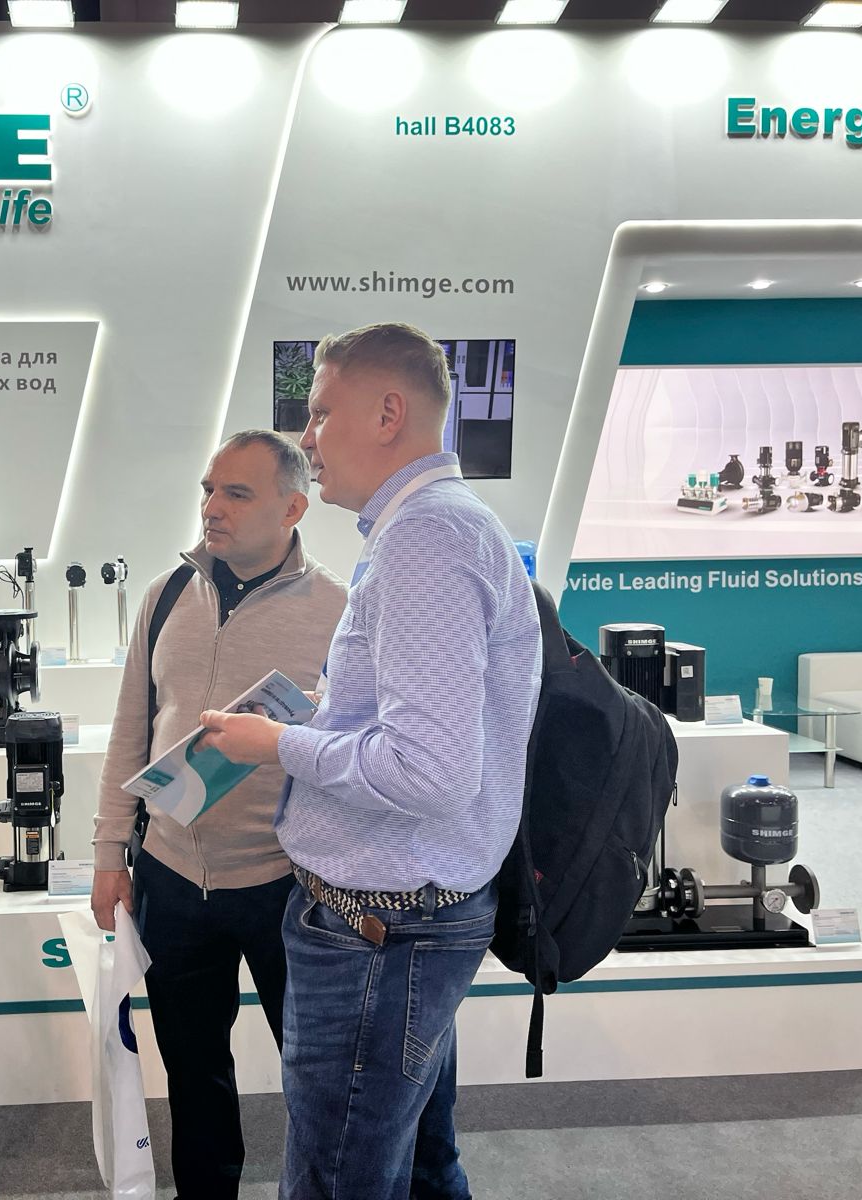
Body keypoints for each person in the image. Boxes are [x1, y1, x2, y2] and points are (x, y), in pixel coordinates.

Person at [199, 323, 543, 1200]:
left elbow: (428, 771)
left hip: (381, 927)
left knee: (341, 1174)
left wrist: (277, 743)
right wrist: (326, 714)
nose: (307, 437)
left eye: (320, 414)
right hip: (403, 917)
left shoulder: (426, 539)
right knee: (418, 1165)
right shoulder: (433, 528)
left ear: (389, 414)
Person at [91, 430, 346, 1199]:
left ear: (292, 508)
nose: (212, 508)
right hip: (171, 875)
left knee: (319, 1076)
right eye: (209, 489)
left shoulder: (339, 611)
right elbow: (132, 727)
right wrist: (109, 852)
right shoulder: (168, 594)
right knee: (193, 1073)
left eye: (237, 493)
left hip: (287, 883)